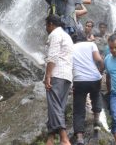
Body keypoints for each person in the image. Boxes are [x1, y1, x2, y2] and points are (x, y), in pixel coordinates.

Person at [44, 15, 74, 145]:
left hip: (56, 74)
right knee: (57, 107)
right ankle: (50, 139)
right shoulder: (67, 36)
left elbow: (53, 56)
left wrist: (48, 75)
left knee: (54, 106)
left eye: (46, 25)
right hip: (67, 76)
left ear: (51, 24)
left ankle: (64, 138)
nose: (46, 28)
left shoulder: (55, 34)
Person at [72, 34, 104, 145]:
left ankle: (80, 138)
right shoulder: (91, 44)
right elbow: (99, 60)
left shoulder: (71, 47)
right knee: (96, 96)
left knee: (78, 109)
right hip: (94, 78)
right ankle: (96, 119)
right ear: (85, 39)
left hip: (79, 80)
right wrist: (100, 71)